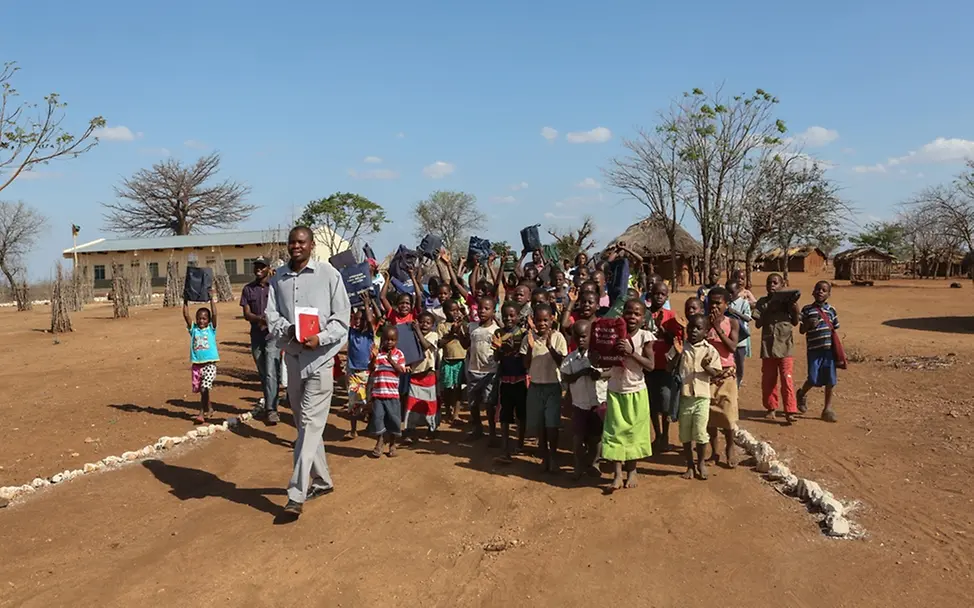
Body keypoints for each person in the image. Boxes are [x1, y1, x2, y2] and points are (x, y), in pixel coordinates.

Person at [266, 226, 351, 517]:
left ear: (311, 245)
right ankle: (323, 479)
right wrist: (288, 328)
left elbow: (342, 319)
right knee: (304, 425)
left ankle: (295, 494)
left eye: (301, 242)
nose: (296, 247)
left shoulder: (329, 275)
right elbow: (271, 314)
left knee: (311, 426)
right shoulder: (278, 277)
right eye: (292, 242)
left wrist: (321, 338)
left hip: (321, 360)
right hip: (293, 358)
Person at [596, 299, 655, 491]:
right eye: (629, 312)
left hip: (636, 391)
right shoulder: (613, 335)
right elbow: (601, 359)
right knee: (614, 432)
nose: (632, 317)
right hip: (615, 390)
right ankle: (617, 474)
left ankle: (632, 471)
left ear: (643, 317)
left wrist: (631, 353)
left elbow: (651, 365)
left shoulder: (645, 337)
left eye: (637, 314)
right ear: (622, 314)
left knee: (634, 432)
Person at [671, 314, 723, 480]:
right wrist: (677, 355)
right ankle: (689, 465)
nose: (693, 331)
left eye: (698, 328)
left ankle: (700, 462)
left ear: (706, 332)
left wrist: (707, 367)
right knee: (685, 434)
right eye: (691, 327)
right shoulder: (680, 346)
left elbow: (716, 375)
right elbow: (668, 367)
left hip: (702, 398)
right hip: (685, 397)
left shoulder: (709, 350)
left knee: (700, 432)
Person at [521, 303, 568, 473]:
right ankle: (545, 456)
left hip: (552, 386)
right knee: (540, 423)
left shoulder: (558, 337)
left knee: (552, 424)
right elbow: (525, 364)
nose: (542, 324)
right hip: (535, 386)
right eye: (539, 320)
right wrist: (531, 349)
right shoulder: (529, 338)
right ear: (533, 320)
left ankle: (553, 455)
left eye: (545, 320)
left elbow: (562, 363)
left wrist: (550, 347)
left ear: (552, 319)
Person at [560, 320, 606, 481]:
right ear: (573, 337)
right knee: (578, 438)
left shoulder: (599, 356)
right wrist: (581, 373)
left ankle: (595, 463)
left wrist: (596, 373)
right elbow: (566, 377)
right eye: (577, 336)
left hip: (597, 403)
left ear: (591, 336)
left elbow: (607, 373)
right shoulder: (570, 359)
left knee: (596, 437)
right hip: (579, 404)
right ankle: (578, 466)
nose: (581, 340)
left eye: (584, 336)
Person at [753, 273, 800, 424]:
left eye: (775, 282)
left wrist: (793, 306)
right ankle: (771, 408)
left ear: (782, 285)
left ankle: (790, 410)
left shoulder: (787, 303)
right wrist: (768, 308)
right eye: (769, 283)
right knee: (768, 379)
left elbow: (795, 322)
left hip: (785, 346)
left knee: (787, 378)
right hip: (768, 347)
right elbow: (758, 323)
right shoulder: (762, 302)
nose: (772, 285)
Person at [240, 257, 281, 424]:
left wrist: (271, 321)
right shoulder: (248, 289)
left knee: (272, 371)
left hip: (273, 335)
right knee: (264, 373)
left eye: (261, 267)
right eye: (256, 266)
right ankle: (270, 403)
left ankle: (272, 409)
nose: (258, 269)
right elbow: (246, 313)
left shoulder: (276, 288)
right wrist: (259, 319)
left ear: (268, 268)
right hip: (256, 335)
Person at [704, 287, 741, 468]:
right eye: (711, 302)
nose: (714, 306)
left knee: (727, 414)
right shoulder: (703, 322)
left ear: (726, 304)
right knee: (710, 415)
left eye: (718, 303)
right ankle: (714, 451)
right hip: (708, 374)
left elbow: (732, 347)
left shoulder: (732, 323)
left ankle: (730, 447)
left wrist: (718, 329)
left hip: (726, 374)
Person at [645, 281, 682, 455]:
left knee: (666, 402)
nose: (659, 296)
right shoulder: (643, 315)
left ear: (667, 296)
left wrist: (661, 327)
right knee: (652, 403)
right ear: (650, 295)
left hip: (666, 366)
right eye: (656, 293)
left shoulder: (672, 316)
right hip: (648, 366)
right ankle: (657, 434)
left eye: (662, 294)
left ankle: (666, 435)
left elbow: (675, 341)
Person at [797, 281, 841, 422]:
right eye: (818, 289)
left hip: (828, 350)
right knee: (813, 378)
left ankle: (827, 409)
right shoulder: (807, 310)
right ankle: (802, 393)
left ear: (829, 294)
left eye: (824, 290)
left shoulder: (832, 311)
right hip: (814, 350)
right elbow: (801, 330)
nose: (820, 292)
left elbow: (834, 328)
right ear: (813, 291)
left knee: (830, 380)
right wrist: (809, 325)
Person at [493, 302, 528, 462]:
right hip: (505, 379)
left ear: (518, 316)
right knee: (505, 415)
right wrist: (499, 349)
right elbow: (496, 359)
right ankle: (505, 447)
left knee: (521, 414)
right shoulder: (498, 333)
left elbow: (527, 357)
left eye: (512, 315)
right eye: (505, 315)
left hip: (521, 379)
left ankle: (520, 443)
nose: (508, 318)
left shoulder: (524, 333)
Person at [367, 324, 406, 458]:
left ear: (397, 340)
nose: (389, 342)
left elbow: (401, 370)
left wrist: (391, 361)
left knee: (394, 420)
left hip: (392, 395)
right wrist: (373, 358)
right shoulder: (378, 355)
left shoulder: (399, 354)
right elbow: (371, 369)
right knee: (378, 419)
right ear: (382, 339)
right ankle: (379, 442)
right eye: (387, 339)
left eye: (392, 340)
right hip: (378, 394)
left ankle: (393, 444)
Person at [465, 296, 501, 442]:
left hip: (490, 372)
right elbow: (466, 345)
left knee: (489, 403)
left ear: (493, 311)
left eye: (487, 308)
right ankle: (477, 428)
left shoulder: (496, 330)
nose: (482, 311)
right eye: (480, 308)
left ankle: (492, 432)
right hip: (474, 370)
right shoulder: (472, 327)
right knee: (473, 403)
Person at [344, 293, 380, 439]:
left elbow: (372, 320)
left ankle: (370, 425)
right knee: (353, 402)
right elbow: (344, 320)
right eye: (355, 319)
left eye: (361, 319)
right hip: (354, 373)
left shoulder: (369, 334)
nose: (357, 322)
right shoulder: (351, 333)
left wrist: (367, 305)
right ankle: (353, 430)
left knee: (369, 401)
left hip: (368, 373)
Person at [403, 311, 440, 440]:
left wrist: (417, 330)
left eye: (428, 323)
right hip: (415, 375)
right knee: (411, 404)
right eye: (422, 322)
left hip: (428, 376)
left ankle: (432, 428)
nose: (424, 325)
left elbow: (425, 345)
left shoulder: (434, 335)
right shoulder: (412, 336)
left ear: (433, 325)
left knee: (430, 405)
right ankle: (409, 429)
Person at [183, 295, 218, 425]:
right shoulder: (194, 330)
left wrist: (211, 300)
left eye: (204, 318)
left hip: (210, 365)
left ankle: (201, 413)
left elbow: (214, 314)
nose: (201, 321)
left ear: (208, 320)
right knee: (202, 390)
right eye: (199, 318)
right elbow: (186, 316)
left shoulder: (211, 329)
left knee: (204, 388)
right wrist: (185, 300)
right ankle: (209, 407)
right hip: (197, 366)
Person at [437, 299, 468, 425]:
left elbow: (466, 340)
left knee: (458, 388)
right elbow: (439, 343)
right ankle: (448, 410)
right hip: (448, 361)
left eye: (457, 310)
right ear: (445, 312)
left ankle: (456, 414)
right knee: (447, 388)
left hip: (461, 360)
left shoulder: (463, 325)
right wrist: (451, 333)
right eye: (452, 310)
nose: (455, 313)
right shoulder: (442, 326)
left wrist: (459, 329)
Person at [726, 279, 752, 387]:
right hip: (728, 339)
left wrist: (735, 312)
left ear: (737, 291)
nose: (730, 295)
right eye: (727, 292)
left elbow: (748, 318)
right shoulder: (725, 303)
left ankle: (738, 383)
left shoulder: (744, 303)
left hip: (741, 340)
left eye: (732, 292)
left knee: (739, 365)